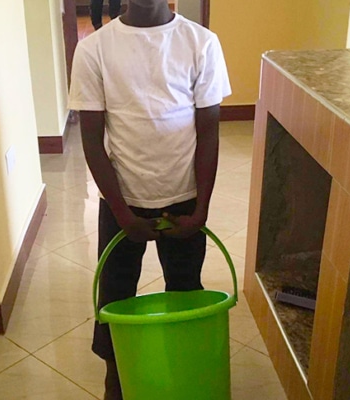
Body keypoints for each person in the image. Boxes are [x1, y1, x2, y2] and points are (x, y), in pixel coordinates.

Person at [69, 1, 231, 398]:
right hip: (123, 201)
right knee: (115, 290)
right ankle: (115, 376)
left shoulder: (201, 43)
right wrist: (122, 212)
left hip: (185, 200)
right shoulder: (95, 49)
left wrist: (200, 211)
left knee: (185, 288)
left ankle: (183, 364)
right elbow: (92, 140)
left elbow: (208, 133)